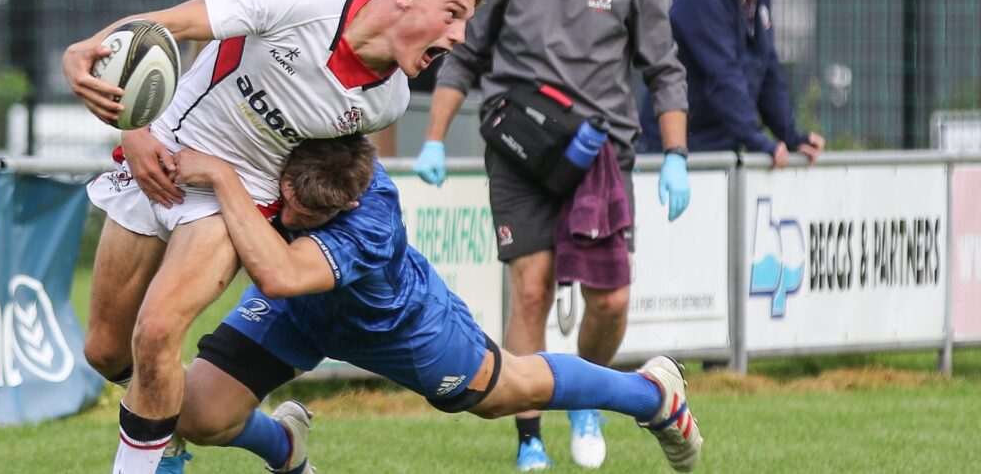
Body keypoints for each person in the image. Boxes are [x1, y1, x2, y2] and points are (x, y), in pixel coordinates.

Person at [61, 0, 485, 474]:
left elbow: (319, 173)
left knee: (159, 329)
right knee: (107, 351)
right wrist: (121, 111)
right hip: (158, 161)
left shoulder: (389, 100)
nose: (459, 35)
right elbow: (160, 28)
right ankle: (280, 445)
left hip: (232, 196)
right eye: (453, 13)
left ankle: (147, 458)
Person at [168, 134, 703, 474]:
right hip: (298, 316)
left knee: (504, 393)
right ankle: (285, 446)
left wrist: (219, 176)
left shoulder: (369, 221)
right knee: (200, 415)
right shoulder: (300, 144)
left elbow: (281, 273)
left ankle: (651, 394)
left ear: (349, 203)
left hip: (404, 331)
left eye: (306, 216)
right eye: (286, 201)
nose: (287, 217)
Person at [411, 0, 692, 469]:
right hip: (519, 150)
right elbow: (464, 57)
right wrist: (434, 138)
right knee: (532, 289)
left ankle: (582, 393)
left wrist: (676, 154)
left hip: (599, 158)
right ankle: (530, 438)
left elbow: (664, 69)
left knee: (610, 301)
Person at [637, 0, 825, 168]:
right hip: (673, 151)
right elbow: (723, 76)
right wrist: (758, 140)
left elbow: (767, 70)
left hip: (718, 147)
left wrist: (790, 136)